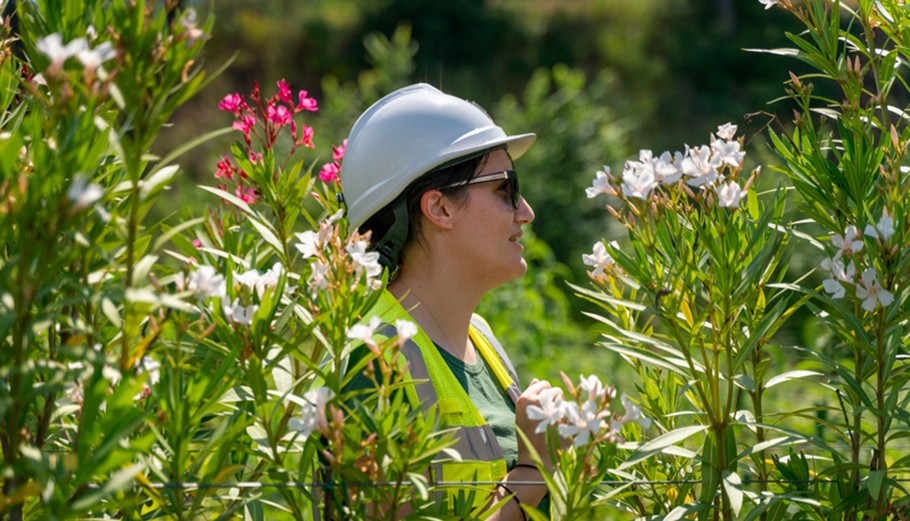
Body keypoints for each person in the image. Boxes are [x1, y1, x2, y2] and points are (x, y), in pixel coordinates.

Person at [339, 83, 558, 519]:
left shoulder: (482, 339)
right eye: (505, 188)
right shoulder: (375, 360)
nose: (526, 211)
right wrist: (533, 473)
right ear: (439, 208)